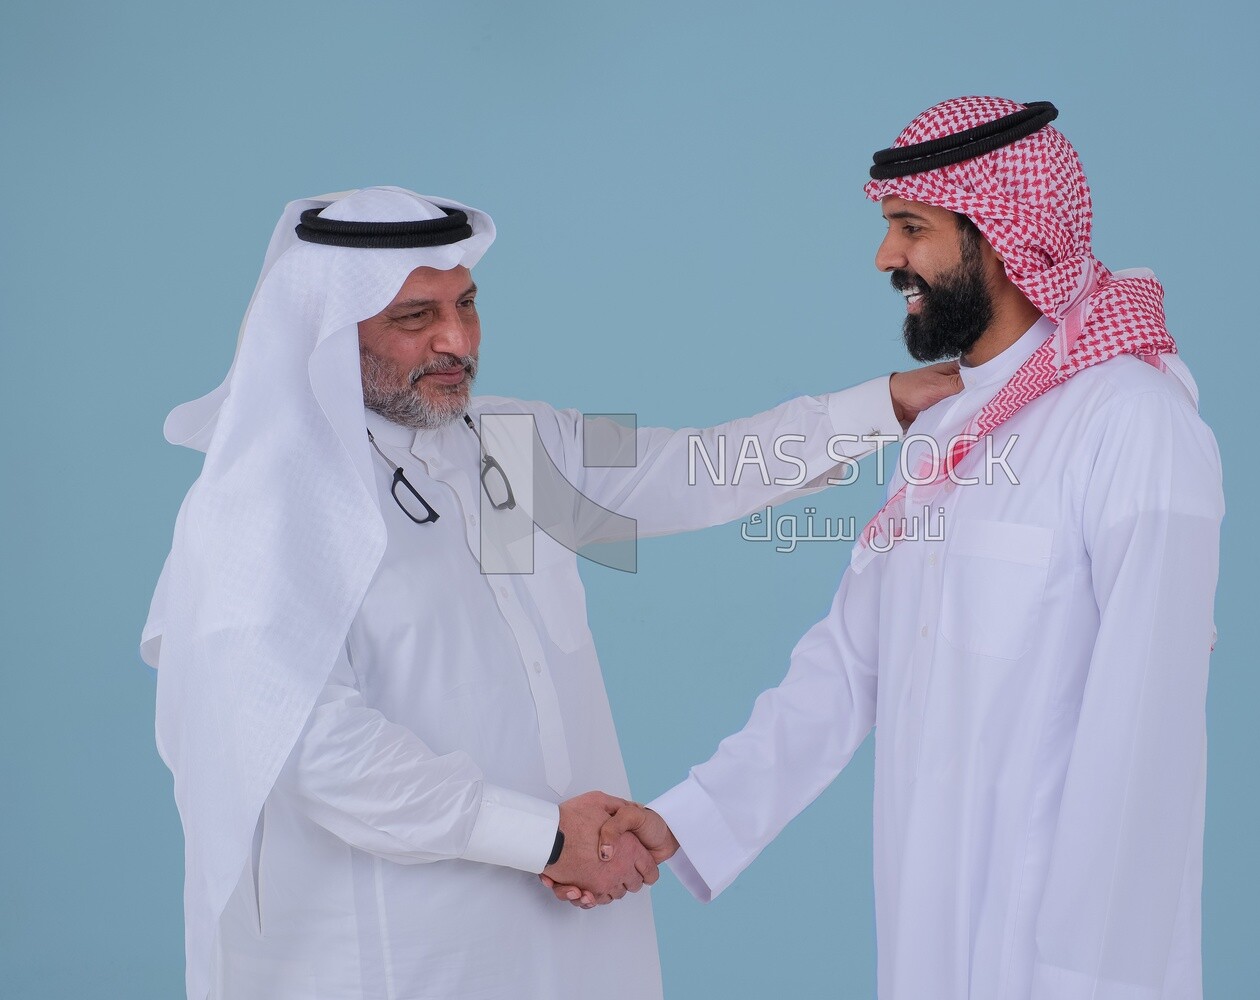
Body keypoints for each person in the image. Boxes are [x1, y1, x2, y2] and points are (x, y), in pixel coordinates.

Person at [139, 186, 957, 1000]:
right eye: (414, 318)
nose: (457, 340)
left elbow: (690, 469)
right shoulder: (261, 509)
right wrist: (540, 837)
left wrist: (882, 407)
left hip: (573, 929)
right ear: (324, 333)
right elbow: (317, 751)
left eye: (466, 304)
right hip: (401, 954)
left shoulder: (505, 445)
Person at [565, 97, 1225, 999]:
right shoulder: (942, 430)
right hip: (926, 935)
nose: (886, 258)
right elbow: (846, 669)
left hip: (1071, 959)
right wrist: (685, 821)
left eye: (910, 228)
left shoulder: (1135, 424)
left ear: (999, 236)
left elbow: (1146, 736)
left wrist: (1087, 972)